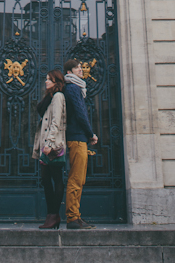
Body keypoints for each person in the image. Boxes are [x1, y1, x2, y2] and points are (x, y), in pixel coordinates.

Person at [63, 58, 99, 229]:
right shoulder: (72, 88)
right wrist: (90, 133)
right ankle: (72, 217)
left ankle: (76, 215)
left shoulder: (76, 88)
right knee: (76, 179)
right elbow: (80, 113)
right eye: (77, 67)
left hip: (79, 137)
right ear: (69, 72)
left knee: (79, 178)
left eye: (80, 67)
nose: (81, 69)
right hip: (77, 138)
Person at [33, 68, 67, 229]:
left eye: (49, 79)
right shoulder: (50, 98)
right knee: (46, 180)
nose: (46, 81)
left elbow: (56, 122)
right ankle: (51, 215)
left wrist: (49, 143)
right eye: (46, 79)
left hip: (52, 146)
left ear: (56, 82)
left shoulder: (58, 97)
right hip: (45, 145)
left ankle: (53, 215)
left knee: (55, 178)